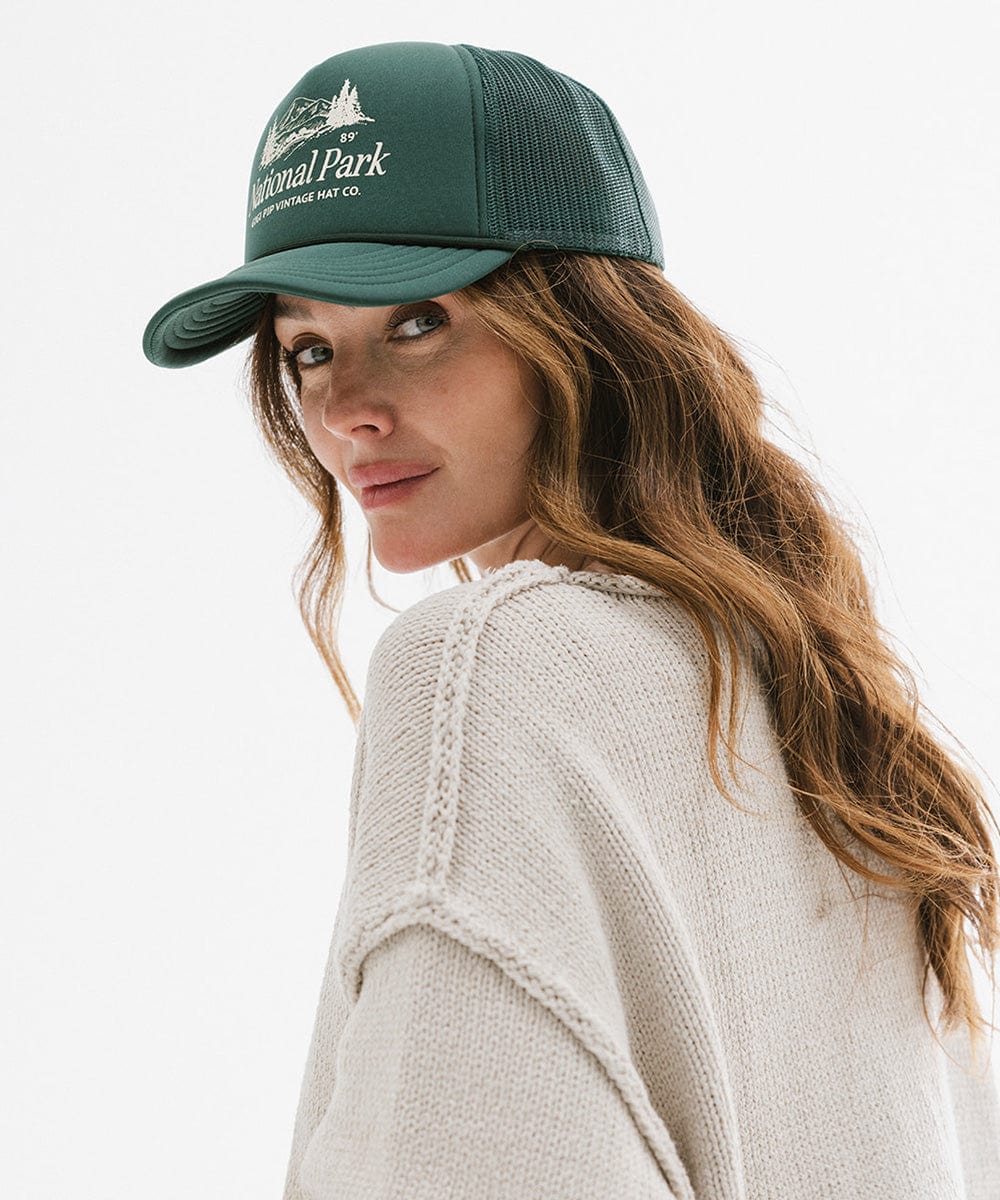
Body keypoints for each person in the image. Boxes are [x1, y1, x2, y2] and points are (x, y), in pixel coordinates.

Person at [143, 40, 1000, 1200]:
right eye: (308, 347)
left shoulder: (488, 664)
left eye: (416, 323)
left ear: (585, 328)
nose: (344, 410)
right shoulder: (823, 714)